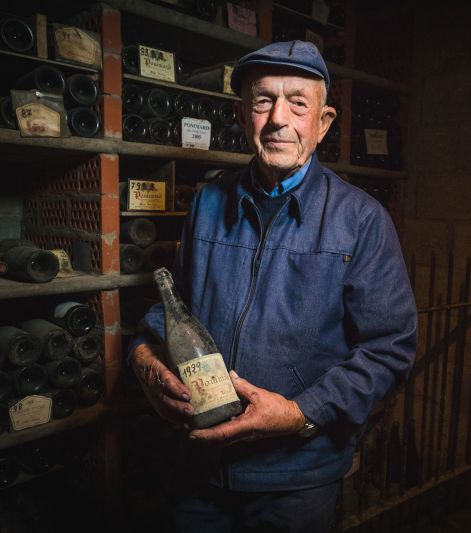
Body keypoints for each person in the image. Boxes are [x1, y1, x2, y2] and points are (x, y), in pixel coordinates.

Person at [129, 40, 417, 532]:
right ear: (243, 117)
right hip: (199, 465)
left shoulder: (361, 220)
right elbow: (175, 308)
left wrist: (301, 412)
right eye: (263, 100)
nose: (278, 118)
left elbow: (389, 349)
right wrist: (143, 357)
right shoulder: (206, 204)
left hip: (296, 479)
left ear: (323, 123)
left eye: (297, 103)